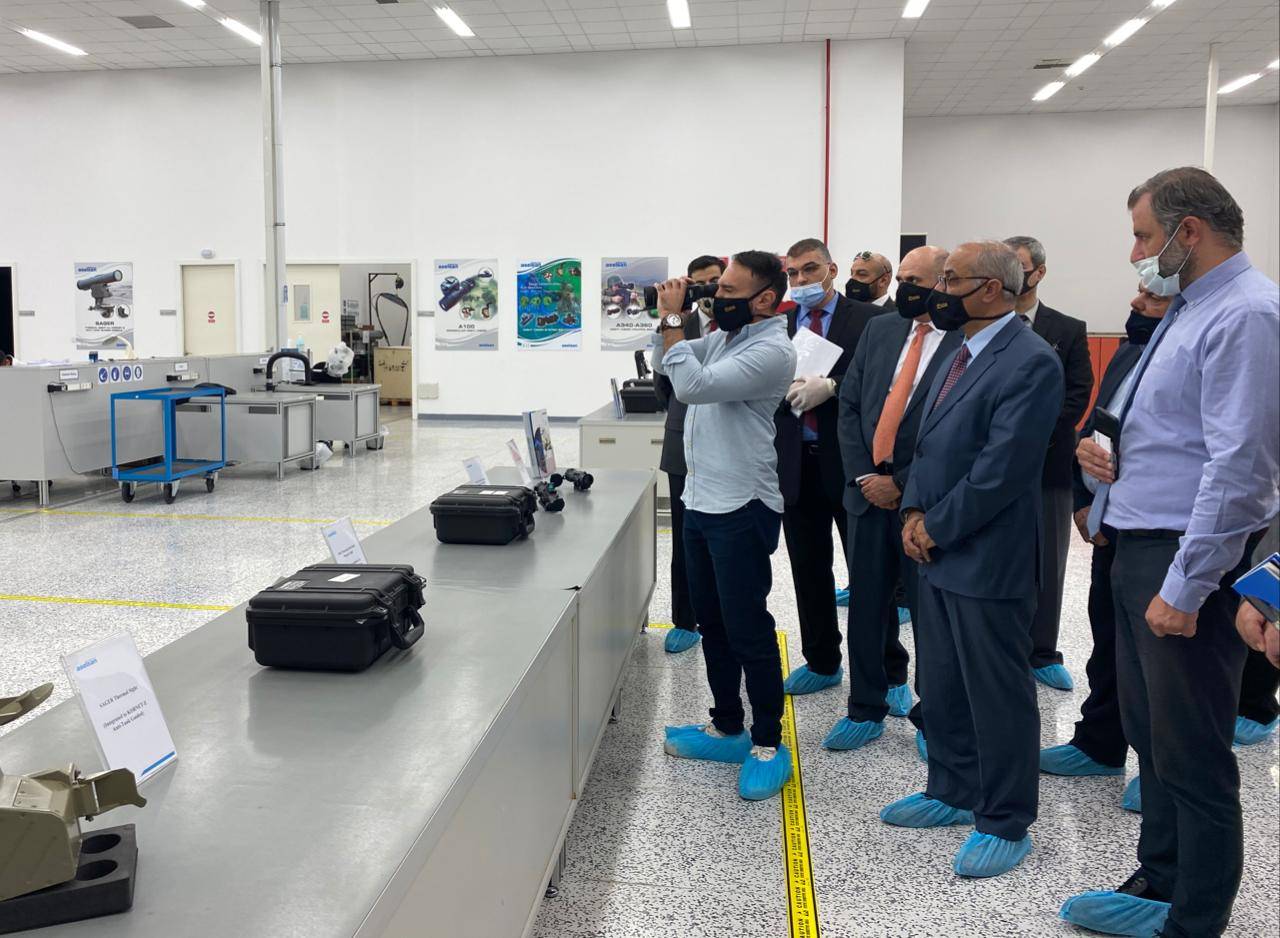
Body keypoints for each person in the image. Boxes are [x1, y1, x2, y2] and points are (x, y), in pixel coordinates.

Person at [1062, 167, 1279, 938]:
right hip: (1138, 542)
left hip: (1187, 556)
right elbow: (1169, 428)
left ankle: (1196, 916)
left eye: (1144, 236)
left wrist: (1187, 587)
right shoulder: (1189, 310)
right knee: (1153, 737)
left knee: (1192, 752)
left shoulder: (1247, 315)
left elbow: (1241, 470)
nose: (1136, 255)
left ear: (1190, 232)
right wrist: (1100, 454)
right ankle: (1160, 878)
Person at [1041, 289, 1279, 798]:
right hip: (1122, 527)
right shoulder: (1137, 349)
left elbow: (1242, 464)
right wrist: (1086, 492)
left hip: (1192, 538)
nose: (1136, 298)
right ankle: (1110, 748)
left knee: (1187, 685)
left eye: (1153, 293)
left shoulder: (1246, 324)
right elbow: (1103, 424)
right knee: (1116, 648)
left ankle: (1178, 771)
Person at [880, 240, 1062, 880]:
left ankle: (1005, 819)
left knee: (996, 690)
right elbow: (924, 444)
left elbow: (1001, 470)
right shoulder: (956, 350)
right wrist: (912, 511)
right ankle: (952, 788)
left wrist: (936, 526)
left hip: (985, 554)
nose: (938, 292)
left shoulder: (1031, 361)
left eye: (950, 280)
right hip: (931, 546)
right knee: (943, 680)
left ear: (989, 288)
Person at [652, 250, 799, 802]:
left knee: (747, 628)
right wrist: (670, 320)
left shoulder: (772, 350)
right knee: (712, 622)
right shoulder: (725, 338)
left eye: (729, 290)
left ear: (766, 298)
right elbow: (671, 363)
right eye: (715, 290)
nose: (718, 298)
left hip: (742, 504)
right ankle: (727, 725)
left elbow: (691, 386)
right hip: (701, 499)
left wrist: (675, 320)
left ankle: (767, 742)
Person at [830, 245, 960, 754]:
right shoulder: (881, 330)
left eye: (914, 281)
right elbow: (849, 405)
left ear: (944, 283)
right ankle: (866, 706)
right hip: (866, 497)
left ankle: (933, 719)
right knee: (866, 608)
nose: (904, 288)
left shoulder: (963, 339)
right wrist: (866, 475)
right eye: (901, 278)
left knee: (930, 616)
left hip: (924, 506)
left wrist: (903, 485)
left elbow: (956, 433)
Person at [774, 238, 884, 697]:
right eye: (793, 273)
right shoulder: (778, 323)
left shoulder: (870, 320)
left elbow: (883, 379)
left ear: (831, 270)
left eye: (809, 269)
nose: (800, 280)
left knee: (871, 573)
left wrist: (834, 385)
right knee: (808, 568)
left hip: (851, 463)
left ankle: (886, 670)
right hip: (795, 462)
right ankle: (822, 660)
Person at [1003, 235, 1093, 692]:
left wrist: (1030, 434)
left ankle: (1043, 651)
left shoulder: (1067, 329)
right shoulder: (982, 326)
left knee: (1048, 561)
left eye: (1019, 267)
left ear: (1039, 272)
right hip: (990, 465)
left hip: (1048, 463)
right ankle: (1001, 645)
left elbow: (1077, 393)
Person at [653, 254, 724, 654]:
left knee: (725, 536)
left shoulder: (737, 324)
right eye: (698, 284)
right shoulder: (677, 324)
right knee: (684, 537)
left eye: (715, 281)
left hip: (727, 443)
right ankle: (684, 619)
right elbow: (663, 385)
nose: (708, 290)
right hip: (683, 443)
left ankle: (724, 614)